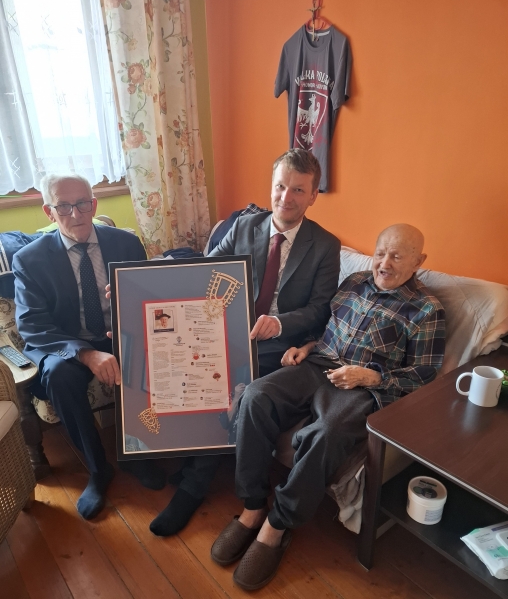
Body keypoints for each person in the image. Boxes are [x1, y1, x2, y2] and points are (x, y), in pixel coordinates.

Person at [211, 223, 446, 591]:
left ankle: (277, 524)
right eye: (380, 253)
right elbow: (324, 325)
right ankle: (253, 506)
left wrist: (372, 377)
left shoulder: (427, 309)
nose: (385, 263)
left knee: (327, 432)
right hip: (316, 365)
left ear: (419, 261)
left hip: (359, 387)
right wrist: (305, 347)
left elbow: (424, 374)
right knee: (256, 395)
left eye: (397, 257)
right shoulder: (354, 281)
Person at [149, 149, 342, 537]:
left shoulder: (325, 245)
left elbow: (321, 309)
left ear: (313, 195)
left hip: (278, 345)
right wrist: (149, 278)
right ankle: (180, 456)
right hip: (226, 330)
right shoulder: (245, 226)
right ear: (271, 186)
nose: (286, 197)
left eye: (298, 190)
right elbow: (206, 268)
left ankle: (193, 488)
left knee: (223, 382)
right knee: (179, 359)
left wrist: (280, 322)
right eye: (280, 186)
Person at [12, 173, 165, 520]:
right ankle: (98, 469)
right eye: (64, 206)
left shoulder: (126, 243)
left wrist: (133, 294)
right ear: (49, 211)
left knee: (144, 354)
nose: (76, 213)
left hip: (119, 333)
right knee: (59, 375)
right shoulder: (30, 259)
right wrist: (86, 353)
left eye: (82, 203)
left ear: (94, 205)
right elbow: (32, 325)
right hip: (66, 341)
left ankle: (137, 455)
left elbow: (152, 299)